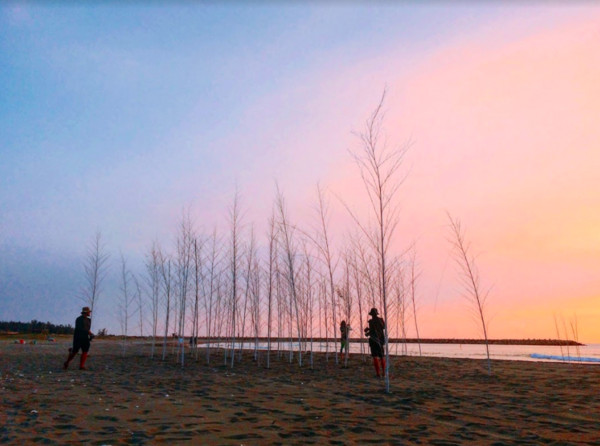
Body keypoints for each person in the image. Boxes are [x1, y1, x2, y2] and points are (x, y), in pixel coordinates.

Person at [364, 307, 386, 377]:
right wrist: (369, 330)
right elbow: (383, 327)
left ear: (371, 314)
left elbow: (372, 331)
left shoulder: (371, 321)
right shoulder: (381, 320)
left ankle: (378, 373)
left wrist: (367, 332)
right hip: (380, 340)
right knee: (382, 356)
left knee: (375, 357)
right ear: (377, 314)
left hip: (373, 341)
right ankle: (384, 373)